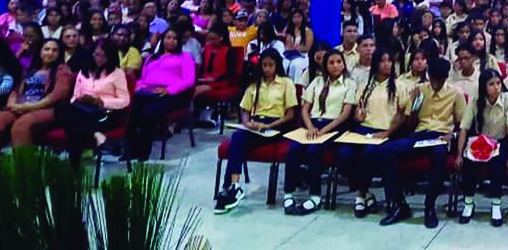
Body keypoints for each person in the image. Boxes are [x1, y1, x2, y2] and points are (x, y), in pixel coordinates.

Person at [380, 57, 466, 228]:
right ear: (429, 76)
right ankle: (400, 204)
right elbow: (410, 124)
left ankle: (429, 206)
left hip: (440, 136)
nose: (435, 84)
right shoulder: (419, 90)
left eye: (439, 80)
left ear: (445, 78)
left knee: (439, 155)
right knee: (387, 150)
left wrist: (453, 135)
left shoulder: (456, 93)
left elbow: (463, 125)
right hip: (420, 134)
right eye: (433, 79)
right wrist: (414, 108)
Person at [214, 48, 298, 214]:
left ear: (277, 65)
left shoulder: (286, 83)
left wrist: (270, 126)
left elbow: (290, 115)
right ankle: (235, 185)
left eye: (270, 65)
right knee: (237, 137)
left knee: (237, 141)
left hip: (277, 125)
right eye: (264, 65)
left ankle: (227, 187)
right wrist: (247, 122)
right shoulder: (254, 84)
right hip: (256, 125)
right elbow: (245, 109)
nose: (267, 69)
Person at [284, 49, 356, 216]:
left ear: (343, 64)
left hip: (334, 126)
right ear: (325, 65)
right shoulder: (317, 81)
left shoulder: (349, 84)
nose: (335, 65)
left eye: (339, 62)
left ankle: (315, 196)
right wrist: (310, 127)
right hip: (313, 124)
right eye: (331, 63)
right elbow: (305, 108)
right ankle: (288, 193)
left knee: (313, 150)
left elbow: (345, 114)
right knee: (293, 149)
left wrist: (323, 131)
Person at [339, 47, 409, 218]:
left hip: (385, 131)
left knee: (368, 153)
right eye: (382, 61)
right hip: (365, 129)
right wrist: (358, 115)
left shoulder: (399, 85)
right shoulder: (365, 85)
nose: (386, 64)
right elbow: (357, 112)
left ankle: (361, 195)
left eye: (389, 61)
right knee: (344, 154)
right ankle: (367, 193)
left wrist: (387, 133)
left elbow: (402, 115)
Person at [455, 68, 508, 227]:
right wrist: (459, 154)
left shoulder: (507, 98)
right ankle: (468, 203)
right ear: (484, 86)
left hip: (500, 141)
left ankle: (496, 205)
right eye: (491, 84)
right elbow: (464, 128)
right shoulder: (476, 100)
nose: (496, 87)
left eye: (498, 83)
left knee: (498, 163)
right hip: (480, 140)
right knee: (469, 163)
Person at [57, 39, 131, 166]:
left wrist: (100, 101)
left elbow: (125, 100)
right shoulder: (84, 71)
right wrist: (81, 99)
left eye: (104, 56)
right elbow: (75, 96)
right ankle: (95, 133)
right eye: (97, 54)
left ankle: (74, 168)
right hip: (83, 110)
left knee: (74, 126)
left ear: (110, 56)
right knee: (62, 108)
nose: (99, 59)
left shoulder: (117, 73)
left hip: (104, 114)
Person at [127, 29, 195, 160]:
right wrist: (138, 86)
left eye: (174, 38)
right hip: (147, 92)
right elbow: (143, 78)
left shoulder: (185, 57)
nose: (171, 41)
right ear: (162, 40)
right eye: (168, 37)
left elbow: (189, 80)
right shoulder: (151, 57)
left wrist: (169, 90)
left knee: (148, 114)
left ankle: (143, 152)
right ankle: (131, 150)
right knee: (130, 111)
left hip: (171, 94)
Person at [0, 39, 73, 147]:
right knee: (0, 119)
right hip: (21, 106)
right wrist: (12, 104)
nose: (50, 53)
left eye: (54, 50)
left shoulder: (62, 70)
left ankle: (24, 158)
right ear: (40, 52)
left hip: (45, 108)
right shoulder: (31, 69)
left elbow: (58, 95)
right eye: (47, 49)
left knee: (21, 126)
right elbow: (16, 91)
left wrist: (29, 107)